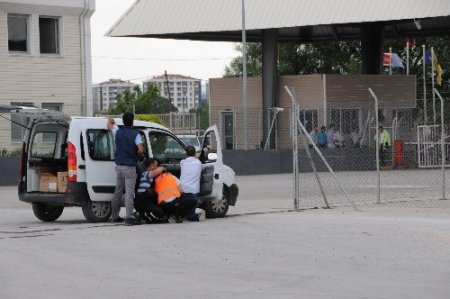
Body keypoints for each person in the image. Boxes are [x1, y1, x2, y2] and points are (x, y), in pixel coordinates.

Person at [108, 113, 144, 226]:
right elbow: (140, 149)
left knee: (117, 192)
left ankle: (114, 216)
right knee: (129, 193)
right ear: (132, 121)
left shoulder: (118, 131)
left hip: (119, 167)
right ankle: (129, 218)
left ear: (123, 121)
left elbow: (109, 125)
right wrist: (137, 154)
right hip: (129, 167)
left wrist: (111, 120)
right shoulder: (135, 134)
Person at [134, 158, 167, 223]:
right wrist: (162, 168)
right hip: (142, 199)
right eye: (156, 165)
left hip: (141, 198)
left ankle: (142, 214)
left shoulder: (145, 174)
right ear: (151, 165)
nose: (156, 167)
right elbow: (155, 172)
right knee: (161, 213)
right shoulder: (146, 173)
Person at [180, 146, 203, 221]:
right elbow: (202, 169)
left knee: (186, 208)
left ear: (186, 153)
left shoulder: (182, 162)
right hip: (193, 193)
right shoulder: (199, 163)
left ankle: (184, 215)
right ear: (194, 153)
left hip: (182, 192)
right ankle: (192, 216)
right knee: (192, 214)